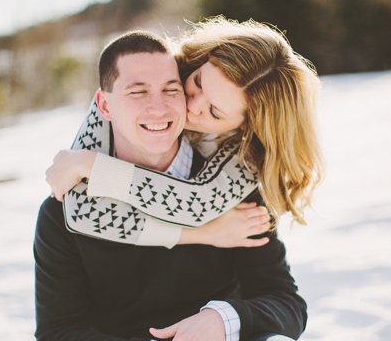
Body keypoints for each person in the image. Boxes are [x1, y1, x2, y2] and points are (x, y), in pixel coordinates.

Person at [34, 30, 380, 341]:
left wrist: (220, 320)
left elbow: (285, 303)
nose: (171, 107)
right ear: (103, 103)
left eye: (174, 91)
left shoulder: (235, 188)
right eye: (187, 85)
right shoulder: (67, 211)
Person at [46, 16, 322, 250]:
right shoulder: (153, 76)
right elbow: (82, 210)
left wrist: (94, 167)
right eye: (199, 82)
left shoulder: (249, 158)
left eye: (214, 111)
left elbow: (195, 203)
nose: (191, 104)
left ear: (245, 127)